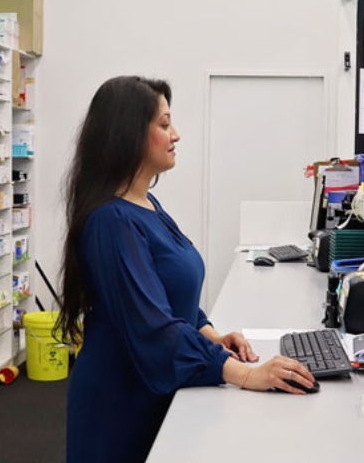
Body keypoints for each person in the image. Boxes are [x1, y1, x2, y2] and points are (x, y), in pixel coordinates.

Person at [56, 76, 315, 463]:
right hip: (120, 401)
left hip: (151, 385)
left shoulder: (147, 205)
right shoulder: (112, 221)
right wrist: (243, 374)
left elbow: (171, 295)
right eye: (163, 124)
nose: (175, 134)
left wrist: (212, 335)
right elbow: (152, 327)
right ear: (129, 135)